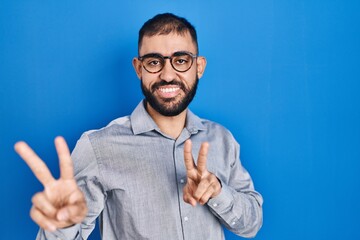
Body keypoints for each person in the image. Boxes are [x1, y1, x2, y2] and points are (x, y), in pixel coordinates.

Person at [15, 13, 263, 240]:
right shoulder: (99, 147)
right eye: (154, 62)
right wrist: (63, 225)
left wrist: (218, 192)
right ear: (138, 68)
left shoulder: (221, 138)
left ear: (199, 67)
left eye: (181, 60)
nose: (167, 75)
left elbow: (251, 225)